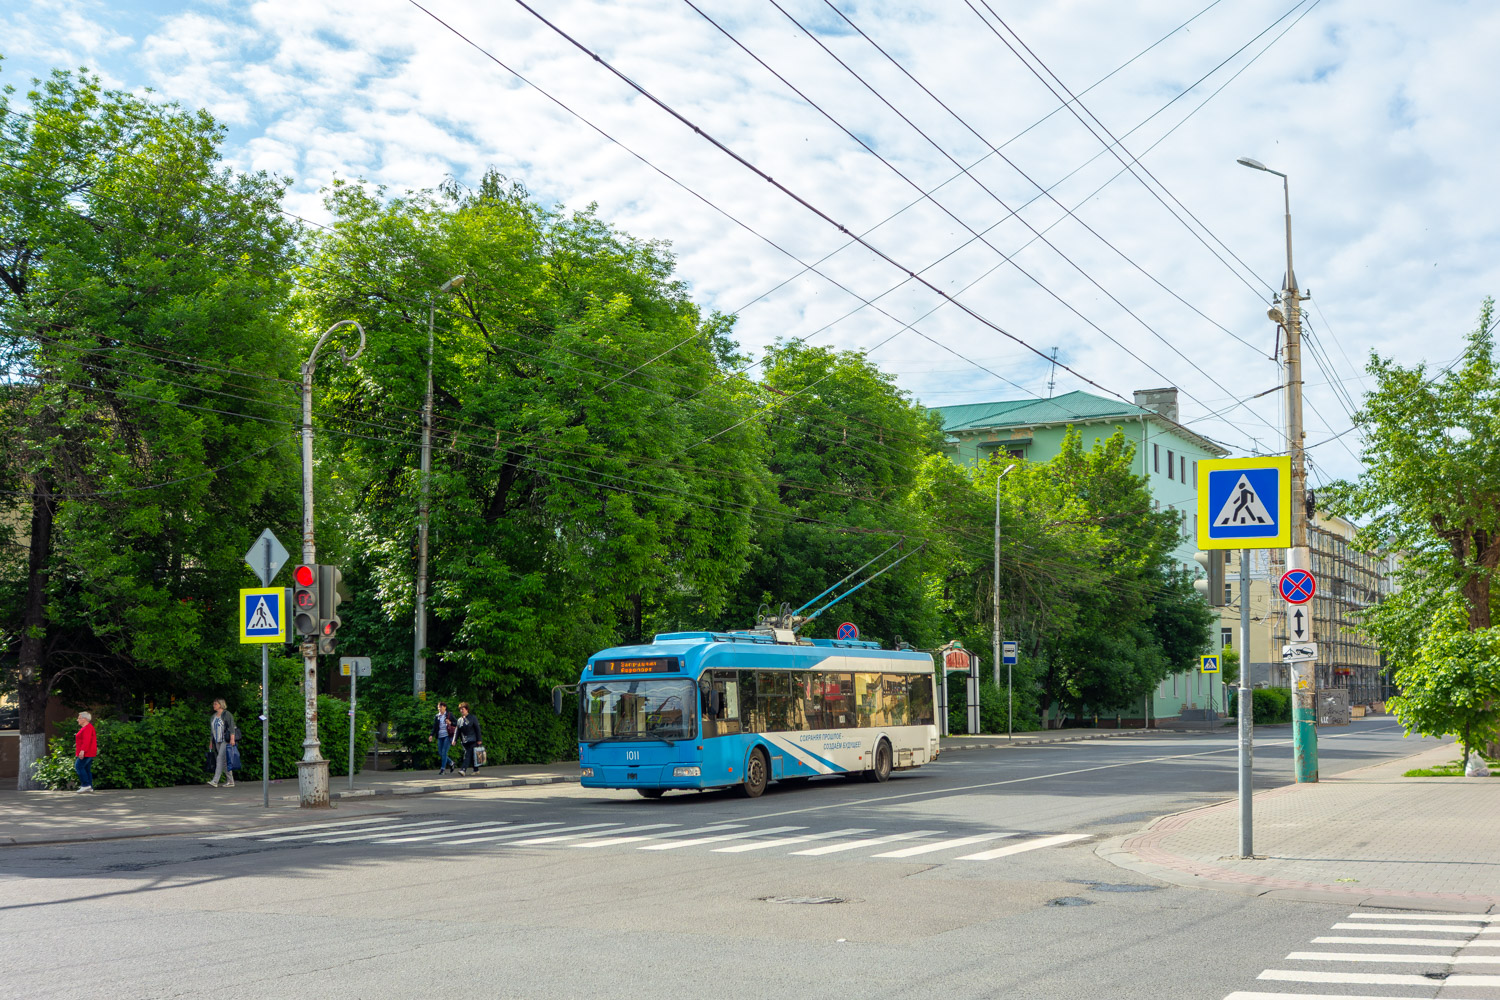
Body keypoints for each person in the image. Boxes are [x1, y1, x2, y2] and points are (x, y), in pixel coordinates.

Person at [207, 699, 238, 788]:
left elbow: (232, 727)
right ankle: (231, 781)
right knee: (224, 761)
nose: (214, 705)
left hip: (226, 739)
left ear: (221, 705)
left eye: (215, 704)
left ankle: (215, 780)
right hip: (217, 740)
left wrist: (232, 739)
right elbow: (212, 731)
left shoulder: (226, 714)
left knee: (219, 758)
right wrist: (211, 742)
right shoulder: (213, 716)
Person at [454, 702, 482, 776]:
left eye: (462, 709)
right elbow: (457, 731)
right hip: (464, 740)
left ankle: (463, 770)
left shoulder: (473, 718)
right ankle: (476, 770)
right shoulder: (459, 720)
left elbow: (477, 729)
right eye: (460, 709)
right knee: (472, 755)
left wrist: (479, 739)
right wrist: (454, 740)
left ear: (467, 710)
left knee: (467, 754)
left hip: (473, 740)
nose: (461, 711)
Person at [429, 701, 456, 774]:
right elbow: (434, 727)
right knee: (441, 753)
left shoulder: (449, 715)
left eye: (441, 707)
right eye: (438, 707)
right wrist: (431, 735)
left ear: (445, 707)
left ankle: (442, 769)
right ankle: (451, 763)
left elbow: (456, 723)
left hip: (447, 735)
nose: (439, 709)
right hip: (440, 736)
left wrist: (450, 722)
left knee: (444, 752)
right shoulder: (437, 716)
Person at [74, 712, 97, 792]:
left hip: (87, 752)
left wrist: (82, 751)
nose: (78, 720)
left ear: (84, 719)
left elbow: (86, 741)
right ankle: (89, 786)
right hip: (89, 751)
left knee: (78, 766)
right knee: (86, 768)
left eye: (79, 718)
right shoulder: (87, 727)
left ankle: (85, 785)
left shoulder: (87, 728)